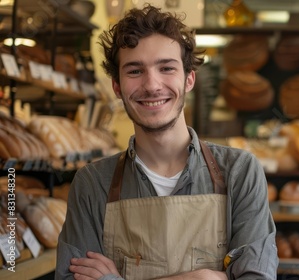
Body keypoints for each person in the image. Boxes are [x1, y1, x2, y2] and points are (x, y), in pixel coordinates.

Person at [55, 4, 278, 280]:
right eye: (135, 71)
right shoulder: (92, 184)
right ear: (117, 86)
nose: (152, 85)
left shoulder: (240, 172)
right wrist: (201, 278)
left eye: (166, 68)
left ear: (189, 79)